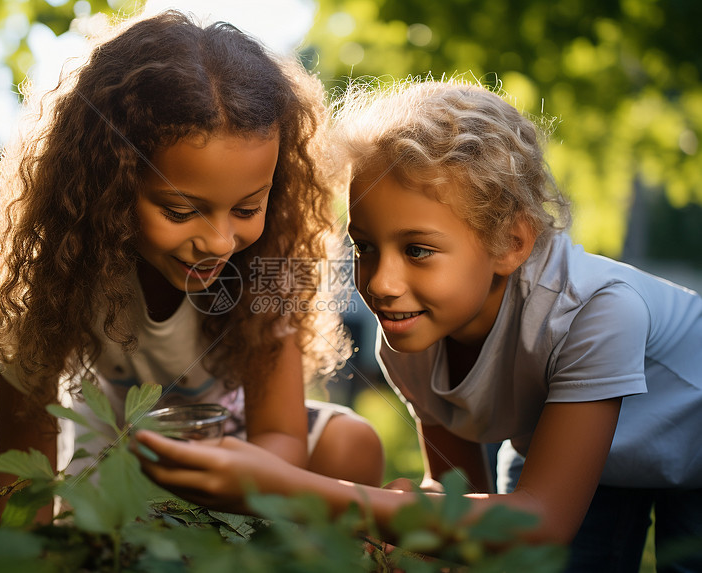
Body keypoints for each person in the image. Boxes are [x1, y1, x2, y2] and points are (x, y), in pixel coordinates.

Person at [136, 79, 702, 572]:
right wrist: (414, 517)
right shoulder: (410, 339)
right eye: (364, 247)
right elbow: (459, 495)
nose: (380, 282)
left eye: (418, 250)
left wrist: (291, 489)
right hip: (572, 458)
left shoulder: (599, 311)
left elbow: (539, 521)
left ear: (511, 242)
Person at [0, 9, 384, 502]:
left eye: (247, 207)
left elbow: (281, 437)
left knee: (351, 444)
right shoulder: (57, 273)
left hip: (243, 454)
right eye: (179, 210)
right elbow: (21, 470)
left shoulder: (268, 272)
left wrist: (228, 483)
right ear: (109, 185)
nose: (218, 242)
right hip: (125, 454)